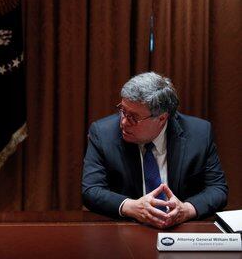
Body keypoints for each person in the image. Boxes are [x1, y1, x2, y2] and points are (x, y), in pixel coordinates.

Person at [82, 72, 228, 228]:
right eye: (123, 111)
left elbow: (218, 189)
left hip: (181, 232)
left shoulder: (199, 133)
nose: (123, 122)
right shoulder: (103, 133)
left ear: (161, 118)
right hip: (126, 230)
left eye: (133, 117)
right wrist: (132, 207)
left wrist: (186, 210)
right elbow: (91, 190)